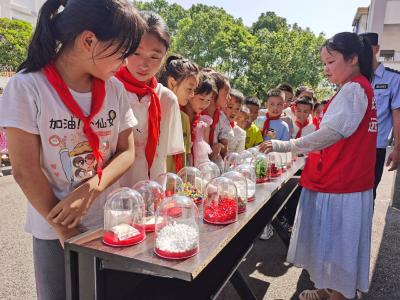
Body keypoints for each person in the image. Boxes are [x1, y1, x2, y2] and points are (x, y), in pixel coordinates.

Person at [0, 0, 145, 298]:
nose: (126, 62)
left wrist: (92, 187)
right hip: (53, 227)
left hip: (108, 220)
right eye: (123, 52)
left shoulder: (114, 89)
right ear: (88, 40)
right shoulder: (28, 87)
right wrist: (64, 229)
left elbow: (126, 151)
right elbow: (25, 170)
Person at [260, 32, 376, 300]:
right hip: (344, 180)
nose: (326, 69)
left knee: (338, 246)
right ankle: (330, 289)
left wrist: (286, 145)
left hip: (343, 182)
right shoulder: (354, 87)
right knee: (333, 244)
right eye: (323, 63)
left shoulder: (355, 89)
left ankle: (339, 295)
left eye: (331, 62)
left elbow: (331, 133)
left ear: (353, 58)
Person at [116, 11, 184, 186]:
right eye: (136, 53)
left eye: (154, 56)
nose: (144, 64)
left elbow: (165, 156)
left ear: (165, 56)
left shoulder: (167, 99)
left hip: (152, 191)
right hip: (112, 194)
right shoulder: (108, 90)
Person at [359, 32, 400, 199]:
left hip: (375, 148)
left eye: (367, 48)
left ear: (376, 49)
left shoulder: (393, 79)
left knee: (368, 195)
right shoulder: (354, 78)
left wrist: (397, 149)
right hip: (351, 147)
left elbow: (397, 114)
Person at [158, 55, 199, 173]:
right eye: (189, 89)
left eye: (194, 90)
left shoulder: (184, 119)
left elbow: (184, 157)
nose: (192, 95)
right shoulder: (153, 114)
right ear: (172, 83)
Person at [182, 73, 217, 167]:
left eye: (208, 100)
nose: (205, 104)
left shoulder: (202, 121)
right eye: (201, 99)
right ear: (191, 93)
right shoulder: (181, 116)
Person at [202, 69, 234, 170]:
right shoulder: (197, 114)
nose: (229, 98)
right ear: (214, 93)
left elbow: (225, 147)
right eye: (226, 93)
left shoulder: (222, 118)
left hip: (215, 166)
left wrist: (219, 146)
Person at [225, 89, 246, 153]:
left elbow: (238, 157)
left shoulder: (241, 133)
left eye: (237, 108)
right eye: (230, 107)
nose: (233, 112)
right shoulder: (214, 125)